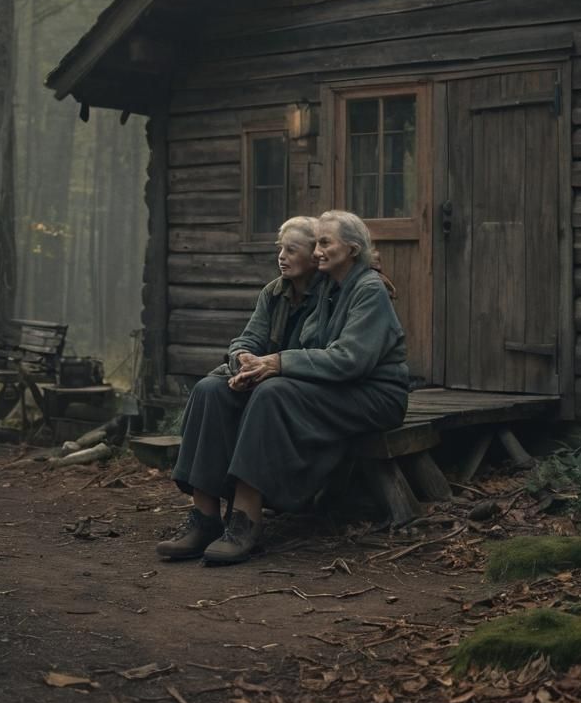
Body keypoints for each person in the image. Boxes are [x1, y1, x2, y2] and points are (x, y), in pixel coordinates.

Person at [158, 210, 409, 566]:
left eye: (323, 243)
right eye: (317, 242)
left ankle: (245, 521)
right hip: (336, 384)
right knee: (209, 390)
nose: (318, 251)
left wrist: (276, 365)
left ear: (351, 249)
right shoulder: (329, 288)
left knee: (272, 393)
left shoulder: (365, 288)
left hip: (374, 393)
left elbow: (351, 359)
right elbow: (293, 344)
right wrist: (247, 363)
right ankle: (205, 518)